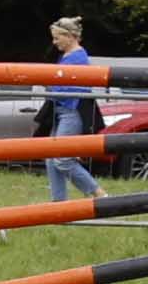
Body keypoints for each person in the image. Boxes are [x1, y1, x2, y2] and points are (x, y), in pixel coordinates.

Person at [40, 16, 104, 203]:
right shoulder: (68, 56)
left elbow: (71, 88)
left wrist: (49, 85)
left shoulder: (78, 57)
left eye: (57, 38)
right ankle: (59, 203)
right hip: (62, 111)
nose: (54, 42)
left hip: (71, 112)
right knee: (51, 158)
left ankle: (99, 194)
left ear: (69, 36)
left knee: (63, 159)